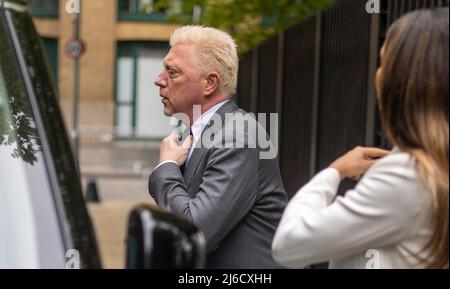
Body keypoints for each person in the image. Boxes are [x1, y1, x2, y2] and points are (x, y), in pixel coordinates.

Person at [272, 8, 449, 269]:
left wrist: (334, 172)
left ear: (403, 80)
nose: (378, 74)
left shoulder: (408, 175)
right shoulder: (434, 165)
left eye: (384, 62)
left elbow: (288, 244)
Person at [148, 25, 288, 269]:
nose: (159, 79)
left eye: (172, 72)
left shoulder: (238, 137)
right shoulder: (197, 132)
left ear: (209, 83)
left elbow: (196, 232)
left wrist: (166, 168)